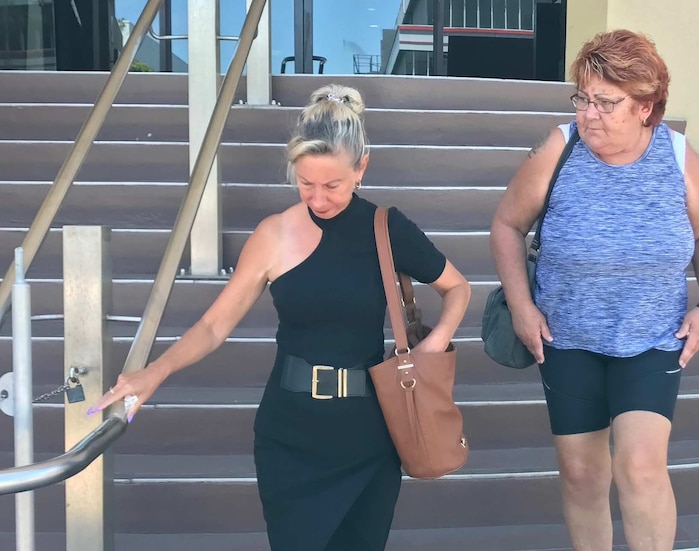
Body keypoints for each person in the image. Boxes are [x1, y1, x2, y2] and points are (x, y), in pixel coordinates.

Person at [90, 84, 472, 551]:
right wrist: (157, 370)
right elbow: (215, 324)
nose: (319, 198)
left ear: (361, 168)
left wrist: (434, 346)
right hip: (290, 438)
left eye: (332, 184)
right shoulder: (272, 235)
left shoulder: (387, 228)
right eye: (305, 183)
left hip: (369, 435)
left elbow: (458, 287)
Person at [490, 30, 699, 550]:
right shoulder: (559, 150)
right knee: (581, 474)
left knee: (640, 468)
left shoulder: (679, 159)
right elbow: (506, 225)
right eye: (583, 98)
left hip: (651, 338)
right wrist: (521, 306)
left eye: (606, 102)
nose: (589, 113)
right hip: (567, 337)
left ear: (646, 107)